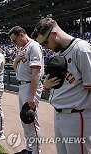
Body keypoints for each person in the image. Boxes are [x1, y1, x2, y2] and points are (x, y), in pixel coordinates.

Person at [32, 17, 91, 154]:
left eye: (45, 42)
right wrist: (46, 84)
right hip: (59, 114)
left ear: (54, 34)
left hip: (77, 116)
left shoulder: (82, 50)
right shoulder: (58, 51)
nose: (45, 47)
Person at [8, 26, 44, 154]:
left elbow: (36, 73)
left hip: (30, 86)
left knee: (32, 120)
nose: (14, 43)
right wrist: (16, 60)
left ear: (22, 34)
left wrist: (32, 96)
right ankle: (29, 149)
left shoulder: (33, 46)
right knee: (25, 120)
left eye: (14, 40)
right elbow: (16, 69)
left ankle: (36, 151)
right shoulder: (23, 48)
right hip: (23, 85)